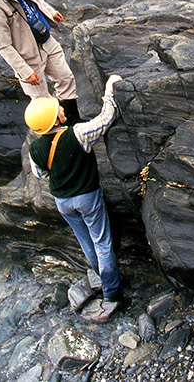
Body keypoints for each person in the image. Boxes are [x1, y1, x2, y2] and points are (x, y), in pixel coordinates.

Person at [25, 74, 124, 322]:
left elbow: (39, 173)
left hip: (63, 202)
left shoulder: (35, 148)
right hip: (87, 197)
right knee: (102, 243)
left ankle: (100, 279)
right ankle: (112, 294)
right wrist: (109, 89)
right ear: (54, 118)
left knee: (86, 242)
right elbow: (105, 119)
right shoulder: (77, 133)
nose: (61, 107)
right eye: (57, 108)